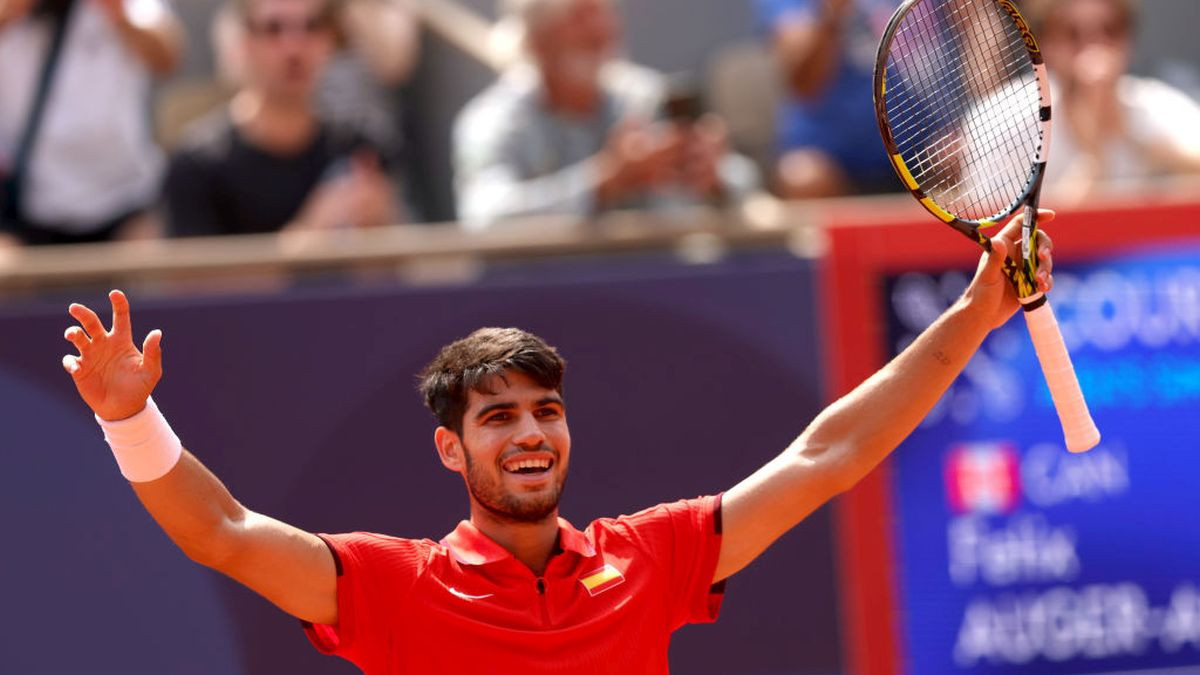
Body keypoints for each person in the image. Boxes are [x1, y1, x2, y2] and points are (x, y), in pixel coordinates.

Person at [60, 208, 1056, 671]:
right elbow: (223, 532)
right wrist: (128, 417)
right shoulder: (390, 588)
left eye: (545, 410)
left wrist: (974, 311)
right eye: (498, 418)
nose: (530, 434)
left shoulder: (650, 558)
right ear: (452, 450)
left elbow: (827, 456)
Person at [452, 0, 758, 230]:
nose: (599, 31)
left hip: (655, 297)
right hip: (538, 303)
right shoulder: (491, 121)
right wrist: (601, 184)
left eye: (603, 12)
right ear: (537, 37)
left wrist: (711, 177)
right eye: (579, 16)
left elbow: (745, 183)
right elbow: (484, 218)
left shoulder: (645, 97)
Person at [163, 0, 401, 237]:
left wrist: (379, 229)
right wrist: (309, 235)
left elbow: (401, 265)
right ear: (243, 42)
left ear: (330, 39)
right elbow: (196, 273)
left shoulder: (362, 146)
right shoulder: (196, 165)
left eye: (311, 26)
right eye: (273, 29)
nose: (294, 47)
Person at [0, 0, 184, 245]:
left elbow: (167, 58)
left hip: (123, 198)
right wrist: (11, 11)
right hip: (27, 203)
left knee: (146, 266)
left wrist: (118, 13)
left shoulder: (129, 6)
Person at [1026, 0, 1200, 204]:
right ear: (1045, 44)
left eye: (1110, 30)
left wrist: (1130, 134)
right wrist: (1094, 156)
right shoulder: (1012, 119)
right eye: (1071, 33)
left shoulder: (1159, 105)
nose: (1093, 47)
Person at [759, 0, 897, 198]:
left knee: (954, 156)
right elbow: (803, 84)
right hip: (830, 160)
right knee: (802, 178)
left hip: (920, 151)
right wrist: (831, 13)